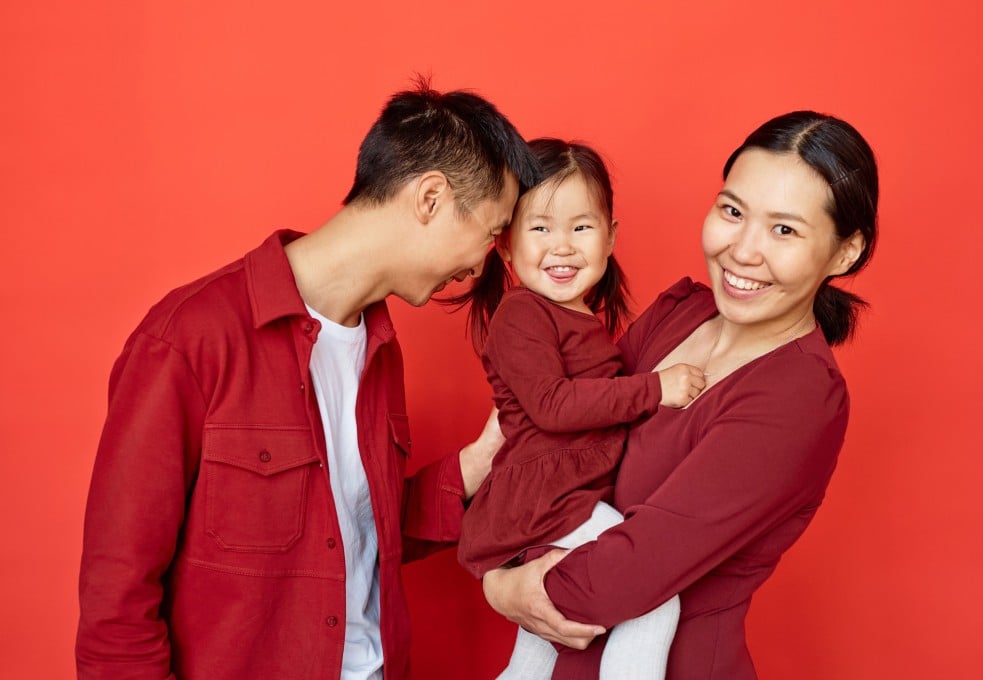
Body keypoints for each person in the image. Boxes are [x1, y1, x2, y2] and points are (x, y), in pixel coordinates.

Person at [75, 80, 540, 680]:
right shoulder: (189, 341)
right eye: (489, 231)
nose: (481, 264)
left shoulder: (381, 350)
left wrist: (478, 462)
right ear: (430, 198)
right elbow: (116, 604)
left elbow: (352, 535)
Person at [481, 110, 879, 679]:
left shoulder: (797, 399)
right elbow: (555, 444)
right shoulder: (681, 312)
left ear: (845, 252)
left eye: (784, 230)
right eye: (733, 211)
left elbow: (624, 576)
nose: (743, 250)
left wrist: (502, 579)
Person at [449, 139, 704, 679]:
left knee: (534, 662)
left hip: (566, 499)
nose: (561, 247)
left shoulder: (584, 322)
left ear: (610, 237)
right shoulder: (521, 314)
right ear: (505, 244)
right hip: (545, 505)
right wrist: (657, 388)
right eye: (540, 228)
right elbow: (554, 407)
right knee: (653, 595)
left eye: (581, 228)